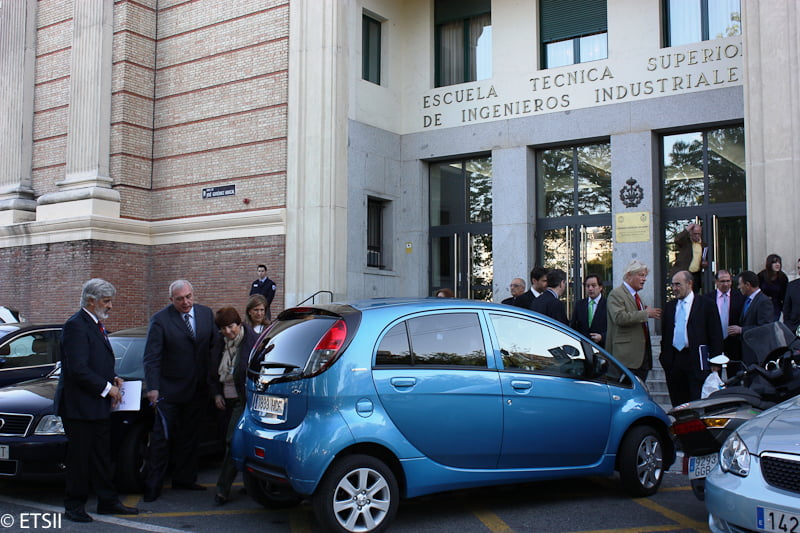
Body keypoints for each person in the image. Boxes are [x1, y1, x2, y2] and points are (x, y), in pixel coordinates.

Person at [56, 279, 138, 522]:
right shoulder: (76, 326)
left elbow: (93, 363)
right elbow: (78, 369)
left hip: (96, 406)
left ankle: (107, 501)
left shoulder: (95, 325)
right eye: (106, 301)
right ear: (90, 301)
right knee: (79, 459)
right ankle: (74, 506)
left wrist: (112, 378)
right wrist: (108, 389)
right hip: (79, 408)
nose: (111, 306)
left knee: (102, 456)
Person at [142, 280, 221, 502]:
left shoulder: (206, 314)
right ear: (171, 300)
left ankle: (184, 479)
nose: (185, 302)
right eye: (180, 299)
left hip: (198, 390)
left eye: (188, 297)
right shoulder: (160, 320)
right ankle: (153, 486)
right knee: (161, 440)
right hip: (169, 391)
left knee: (190, 437)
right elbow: (151, 357)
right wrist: (154, 388)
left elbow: (216, 346)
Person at [210, 307, 258, 506]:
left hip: (243, 399)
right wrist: (216, 394)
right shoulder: (220, 343)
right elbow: (211, 371)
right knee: (237, 443)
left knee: (232, 442)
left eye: (231, 327)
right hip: (225, 401)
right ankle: (252, 483)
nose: (228, 332)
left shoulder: (252, 341)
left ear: (238, 323)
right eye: (223, 328)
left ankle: (222, 489)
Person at [660, 271, 723, 406]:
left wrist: (715, 362)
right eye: (673, 285)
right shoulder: (670, 307)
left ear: (689, 284)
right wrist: (665, 360)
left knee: (697, 402)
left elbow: (715, 335)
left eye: (678, 284)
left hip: (697, 360)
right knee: (678, 402)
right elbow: (665, 335)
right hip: (675, 360)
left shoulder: (706, 305)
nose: (674, 288)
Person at [606, 260, 662, 380]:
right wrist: (645, 313)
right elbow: (619, 318)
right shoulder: (616, 294)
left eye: (645, 276)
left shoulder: (637, 297)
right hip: (626, 358)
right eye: (641, 275)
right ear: (629, 275)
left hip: (642, 358)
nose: (644, 279)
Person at [727, 270, 775, 365]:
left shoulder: (763, 301)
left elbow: (765, 327)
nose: (739, 287)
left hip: (756, 353)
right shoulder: (747, 300)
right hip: (745, 352)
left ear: (747, 285)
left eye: (740, 284)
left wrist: (741, 330)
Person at [704, 269, 744, 361]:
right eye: (722, 281)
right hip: (714, 341)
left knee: (734, 371)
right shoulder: (707, 299)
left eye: (728, 281)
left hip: (734, 341)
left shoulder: (740, 297)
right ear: (716, 282)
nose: (725, 284)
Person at [570, 274, 607, 347]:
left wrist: (602, 337)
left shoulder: (608, 304)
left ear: (600, 287)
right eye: (587, 286)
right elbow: (573, 326)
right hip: (583, 347)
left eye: (593, 286)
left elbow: (613, 328)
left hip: (602, 349)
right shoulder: (579, 305)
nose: (590, 288)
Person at [670, 222, 707, 291]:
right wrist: (687, 229)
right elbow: (677, 240)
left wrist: (704, 263)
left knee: (694, 295)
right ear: (690, 233)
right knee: (682, 293)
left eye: (699, 234)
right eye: (695, 234)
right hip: (683, 273)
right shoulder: (685, 242)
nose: (697, 236)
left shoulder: (703, 245)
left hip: (696, 275)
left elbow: (705, 258)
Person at [757, 254, 788, 320]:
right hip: (762, 304)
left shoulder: (783, 277)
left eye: (779, 262)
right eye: (774, 262)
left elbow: (785, 294)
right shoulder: (761, 276)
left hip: (775, 306)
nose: (777, 264)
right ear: (769, 264)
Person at [782, 258, 800, 333]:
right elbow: (786, 308)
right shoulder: (791, 286)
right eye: (799, 268)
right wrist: (789, 326)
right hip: (794, 329)